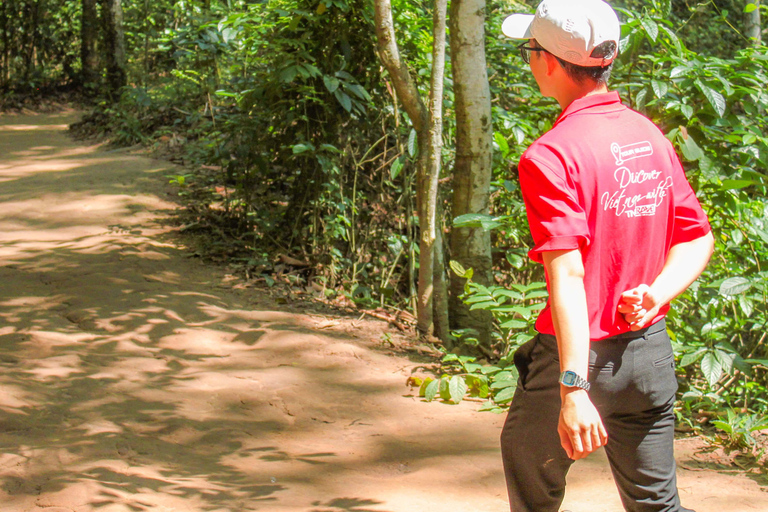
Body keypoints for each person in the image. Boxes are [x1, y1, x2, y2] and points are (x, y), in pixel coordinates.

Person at [498, 1, 714, 511]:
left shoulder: (550, 155)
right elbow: (698, 236)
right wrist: (656, 293)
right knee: (657, 504)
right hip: (648, 354)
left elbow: (568, 272)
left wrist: (573, 390)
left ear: (549, 61)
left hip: (576, 359)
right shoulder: (647, 135)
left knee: (531, 478)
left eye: (530, 50)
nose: (529, 61)